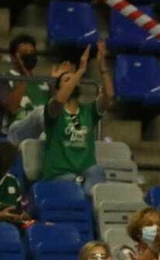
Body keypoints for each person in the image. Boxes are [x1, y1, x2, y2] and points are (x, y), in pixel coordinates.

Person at [40, 44, 114, 186]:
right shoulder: (53, 110)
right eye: (67, 80)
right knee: (75, 183)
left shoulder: (88, 111)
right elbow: (59, 99)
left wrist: (102, 65)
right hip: (59, 176)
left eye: (74, 79)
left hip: (85, 173)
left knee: (97, 171)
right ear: (59, 89)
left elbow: (109, 95)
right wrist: (80, 71)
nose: (73, 81)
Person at [0, 34, 49, 137]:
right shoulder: (3, 79)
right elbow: (11, 108)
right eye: (24, 53)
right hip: (13, 134)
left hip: (39, 136)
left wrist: (57, 87)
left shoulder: (44, 83)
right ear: (13, 57)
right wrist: (24, 78)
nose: (29, 56)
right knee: (40, 115)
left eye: (32, 53)